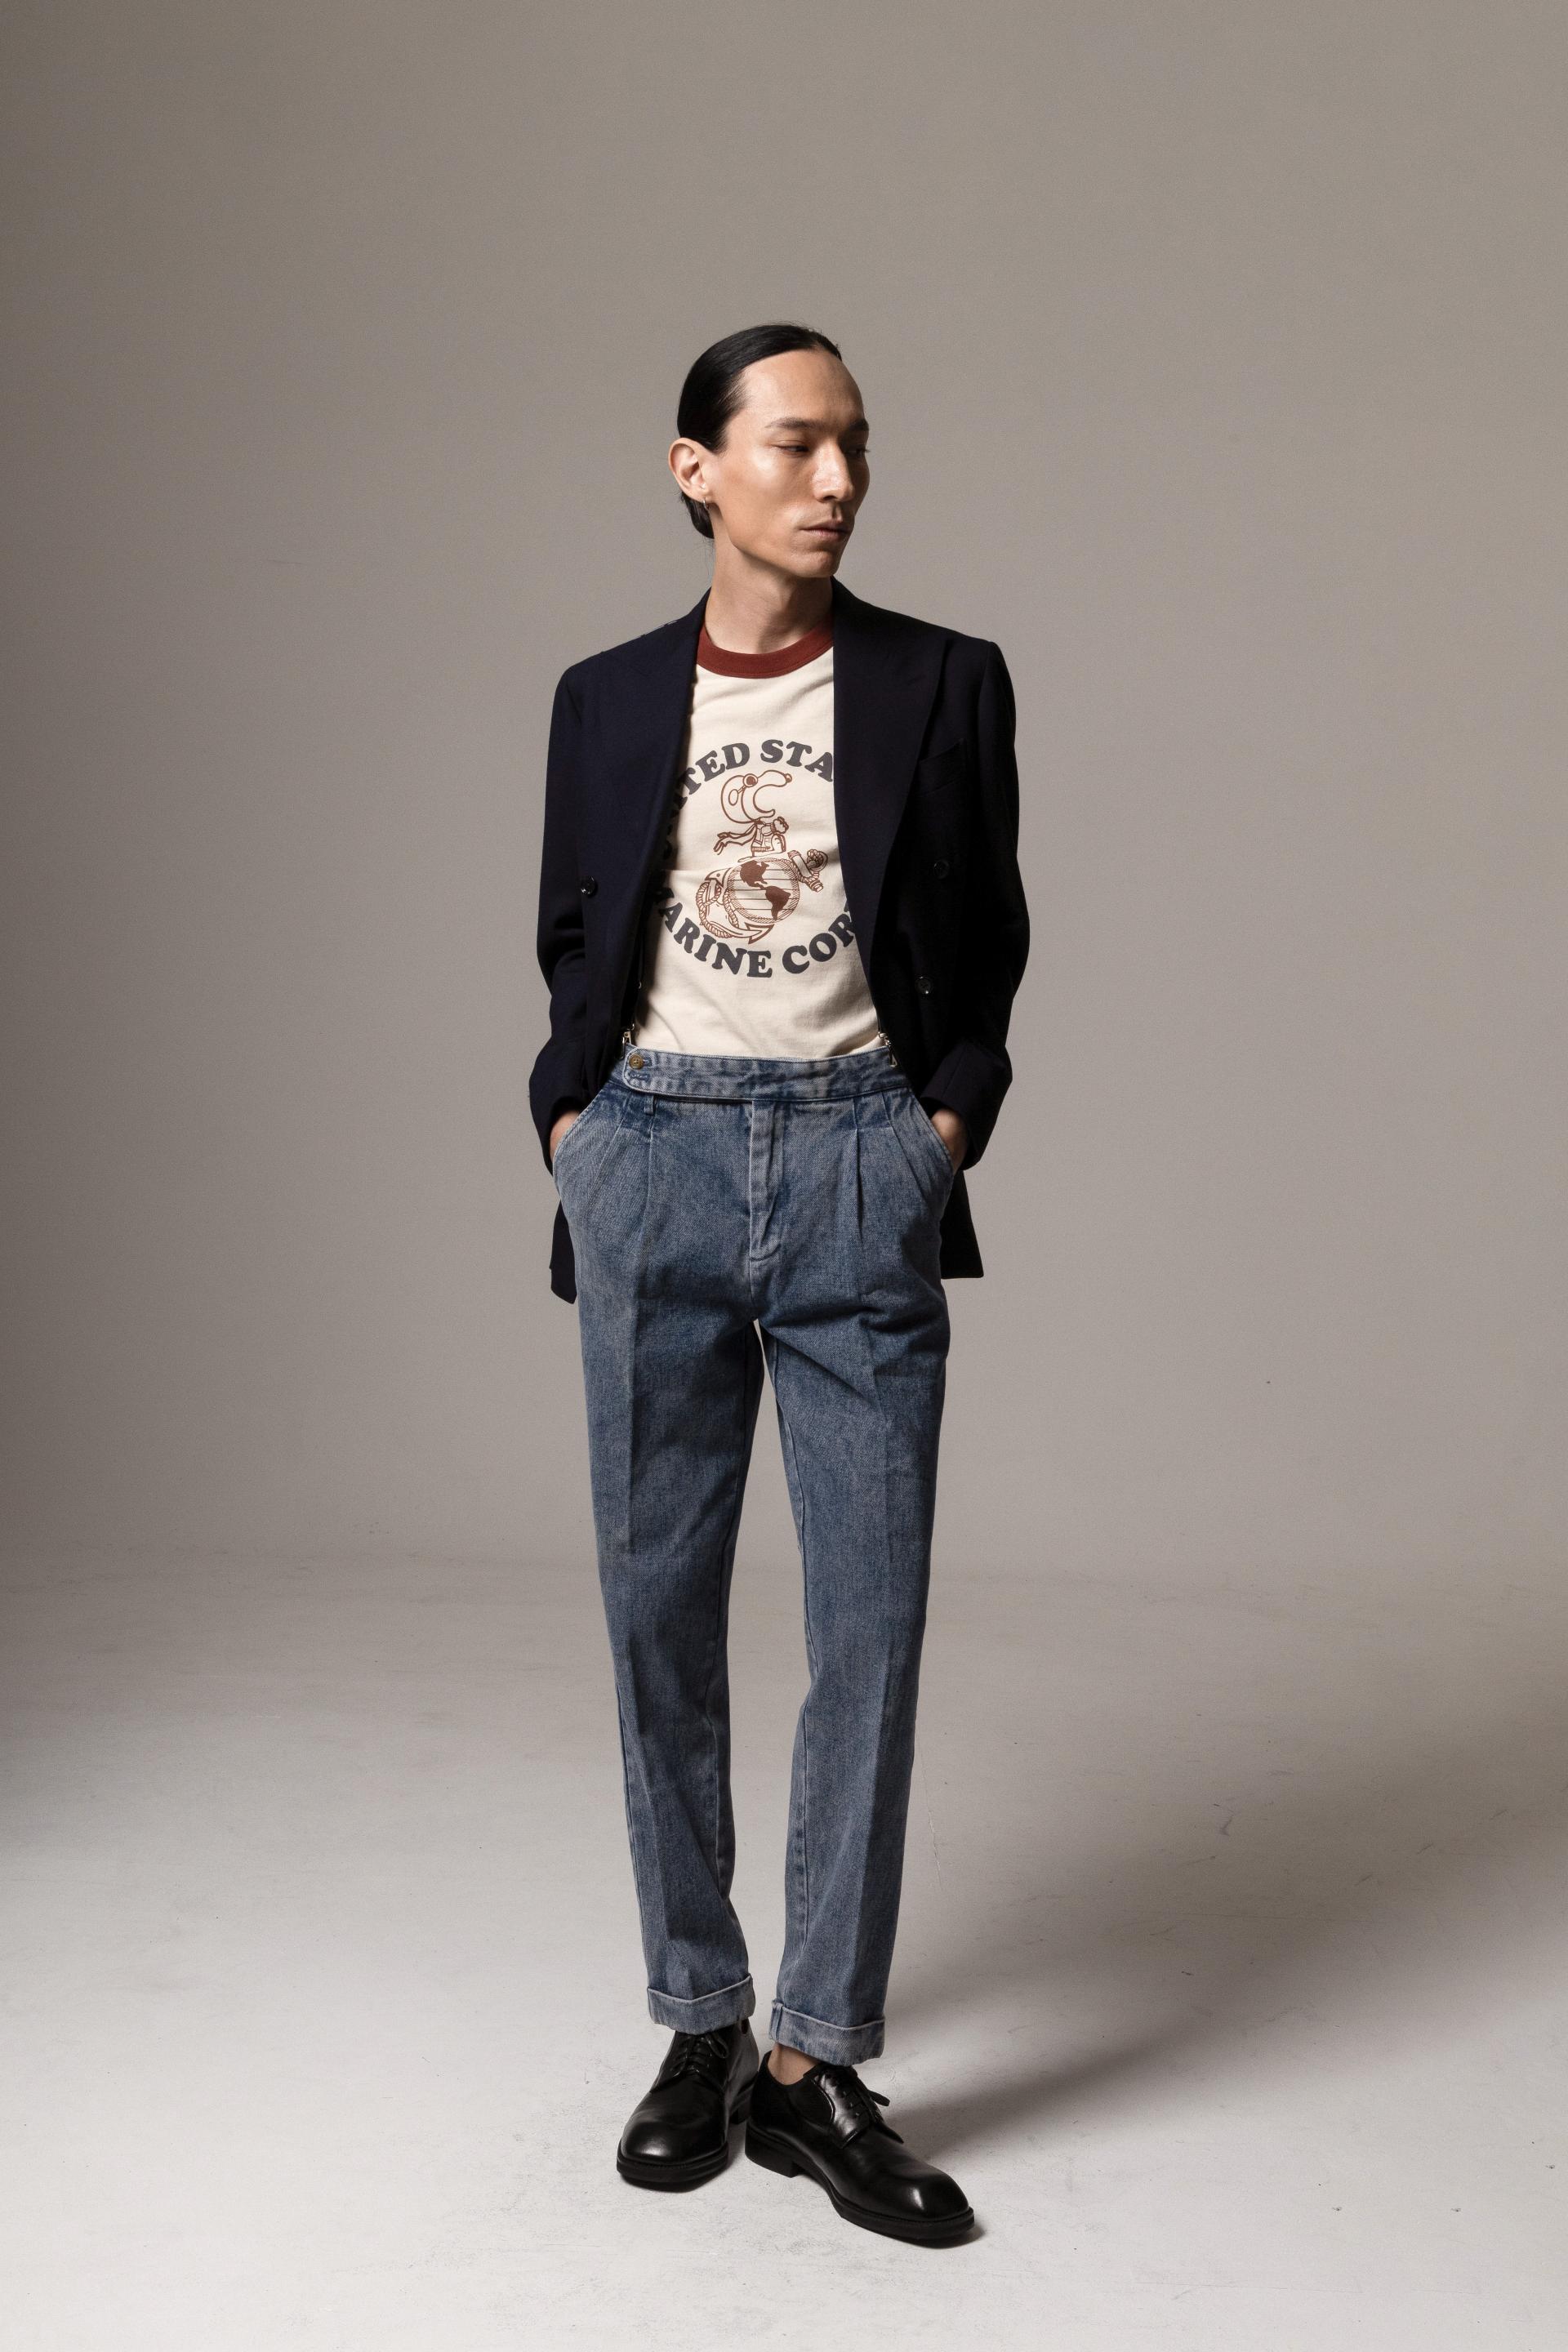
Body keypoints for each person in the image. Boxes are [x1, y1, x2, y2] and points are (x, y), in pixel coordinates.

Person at [528, 323, 1029, 2245]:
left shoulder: (942, 679)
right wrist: (572, 1121)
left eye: (855, 448)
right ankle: (699, 2019)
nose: (836, 481)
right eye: (797, 445)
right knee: (656, 1620)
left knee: (869, 1629)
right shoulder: (603, 696)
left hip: (857, 1166)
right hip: (649, 1155)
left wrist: (940, 1128)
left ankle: (814, 2064)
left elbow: (988, 939)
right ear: (697, 469)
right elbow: (575, 932)